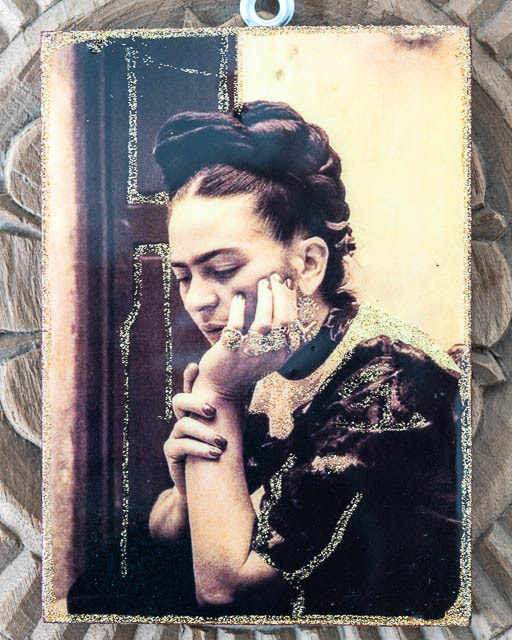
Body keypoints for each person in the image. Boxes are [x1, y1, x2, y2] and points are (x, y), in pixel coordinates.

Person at [68, 100, 463, 619]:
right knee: (94, 589)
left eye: (222, 269)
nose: (197, 300)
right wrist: (188, 492)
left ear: (308, 263)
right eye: (183, 276)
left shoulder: (391, 383)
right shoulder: (259, 357)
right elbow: (163, 528)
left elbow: (225, 588)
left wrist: (220, 395)